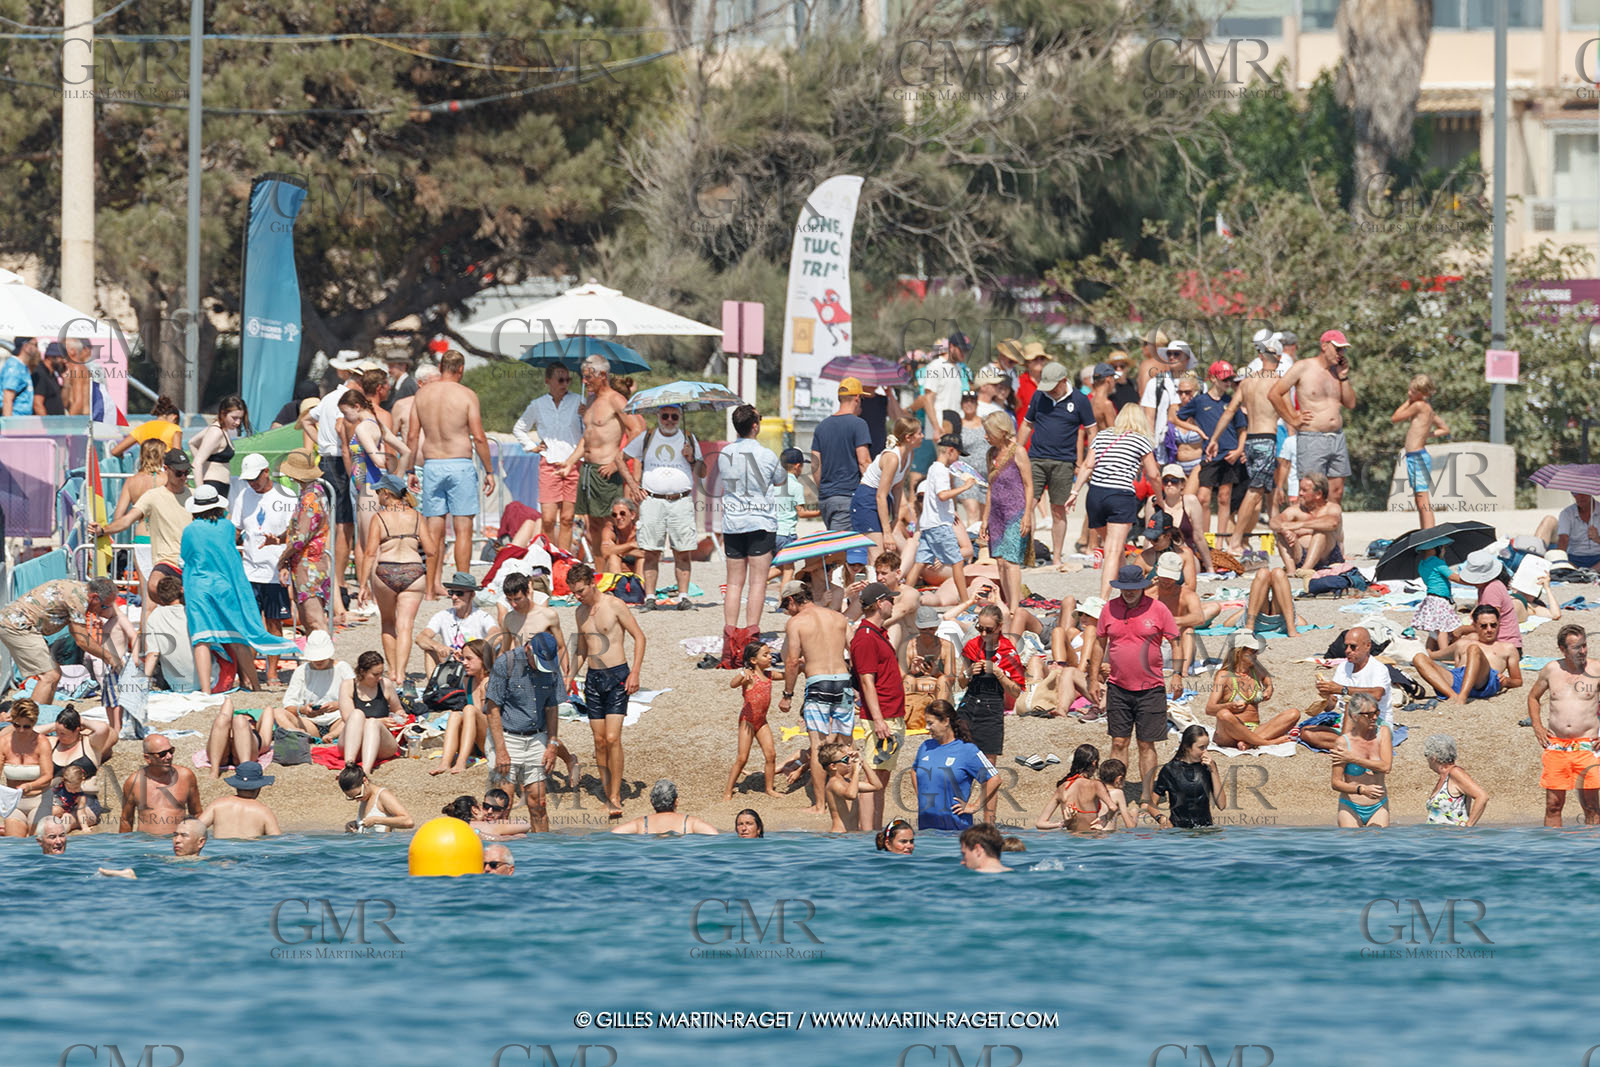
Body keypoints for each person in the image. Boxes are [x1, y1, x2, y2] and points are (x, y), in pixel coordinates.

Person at [180, 485, 299, 692]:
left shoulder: (190, 530)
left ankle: (206, 691)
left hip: (199, 586)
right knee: (238, 636)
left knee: (202, 639)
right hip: (226, 586)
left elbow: (186, 555)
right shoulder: (226, 527)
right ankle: (255, 685)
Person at [1086, 564, 1178, 802]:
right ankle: (1117, 792)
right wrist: (1093, 677)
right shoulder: (1109, 609)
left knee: (1146, 744)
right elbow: (1099, 643)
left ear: (1143, 587)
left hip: (1151, 688)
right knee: (1119, 742)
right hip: (1117, 686)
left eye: (1134, 588)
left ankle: (1148, 796)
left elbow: (1176, 642)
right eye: (1125, 588)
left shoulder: (1158, 609)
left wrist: (1178, 673)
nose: (1129, 592)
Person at [407, 350, 494, 598]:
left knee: (434, 529)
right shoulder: (467, 395)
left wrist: (411, 468)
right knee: (463, 529)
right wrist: (489, 470)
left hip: (433, 464)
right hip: (460, 464)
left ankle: (430, 590)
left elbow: (412, 436)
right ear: (461, 369)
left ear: (440, 367)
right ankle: (462, 587)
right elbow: (478, 436)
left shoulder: (422, 395)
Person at [568, 561, 645, 817]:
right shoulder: (580, 613)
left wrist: (635, 672)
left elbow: (640, 637)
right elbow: (582, 649)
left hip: (618, 675)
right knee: (599, 741)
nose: (577, 596)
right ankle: (605, 790)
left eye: (580, 591)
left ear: (592, 583)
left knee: (613, 738)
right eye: (574, 592)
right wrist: (569, 675)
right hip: (593, 678)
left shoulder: (614, 605)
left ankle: (615, 795)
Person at [777, 579, 856, 815]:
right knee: (846, 743)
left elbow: (791, 662)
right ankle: (850, 798)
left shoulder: (796, 622)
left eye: (785, 604)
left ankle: (820, 805)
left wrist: (787, 694)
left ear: (792, 600)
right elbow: (855, 649)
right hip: (843, 681)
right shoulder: (838, 617)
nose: (785, 610)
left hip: (818, 682)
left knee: (819, 745)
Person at [1067, 403, 1162, 599]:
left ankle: (1126, 590)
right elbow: (1154, 474)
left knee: (1114, 547)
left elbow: (1087, 465)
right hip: (1119, 495)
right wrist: (1160, 499)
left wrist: (1074, 492)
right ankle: (1102, 599)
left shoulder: (1102, 436)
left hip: (1095, 495)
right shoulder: (1141, 439)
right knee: (1113, 549)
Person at [716, 404, 783, 668]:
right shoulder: (766, 455)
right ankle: (752, 639)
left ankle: (729, 643)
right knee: (757, 583)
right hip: (760, 521)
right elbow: (779, 480)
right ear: (755, 425)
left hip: (733, 523)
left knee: (733, 584)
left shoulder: (724, 453)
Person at [558, 354, 638, 572]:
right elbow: (587, 437)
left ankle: (614, 571)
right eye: (583, 377)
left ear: (603, 375)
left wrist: (618, 462)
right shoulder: (591, 401)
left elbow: (637, 430)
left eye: (588, 377)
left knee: (608, 524)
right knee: (592, 525)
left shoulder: (616, 400)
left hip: (606, 471)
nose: (585, 382)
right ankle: (600, 573)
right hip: (588, 469)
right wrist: (570, 462)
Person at [625, 404, 705, 609]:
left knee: (683, 551)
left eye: (674, 417)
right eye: (666, 416)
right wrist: (633, 486)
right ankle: (650, 598)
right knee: (651, 551)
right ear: (659, 416)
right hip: (653, 500)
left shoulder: (689, 437)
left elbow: (703, 471)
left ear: (679, 418)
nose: (670, 420)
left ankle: (683, 597)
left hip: (681, 500)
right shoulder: (647, 437)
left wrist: (692, 457)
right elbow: (620, 458)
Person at [358, 474, 435, 684]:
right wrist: (430, 585)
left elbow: (370, 553)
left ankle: (391, 671)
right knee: (406, 625)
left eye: (378, 491)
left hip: (386, 571)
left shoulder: (380, 517)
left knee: (388, 622)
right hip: (413, 571)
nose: (376, 495)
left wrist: (363, 584)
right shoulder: (417, 517)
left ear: (387, 493)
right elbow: (431, 550)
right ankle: (401, 673)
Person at [228, 453, 298, 686]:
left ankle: (272, 672)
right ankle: (249, 673)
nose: (252, 483)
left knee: (274, 623)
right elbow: (235, 529)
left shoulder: (286, 496)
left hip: (274, 570)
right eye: (249, 479)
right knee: (250, 623)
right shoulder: (243, 495)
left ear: (266, 472)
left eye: (255, 478)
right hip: (249, 571)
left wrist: (280, 548)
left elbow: (295, 534)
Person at [0, 577, 122, 707]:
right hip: (17, 625)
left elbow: (77, 633)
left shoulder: (79, 590)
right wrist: (109, 657)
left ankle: (42, 716)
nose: (101, 611)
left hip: (19, 623)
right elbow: (82, 640)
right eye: (103, 606)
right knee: (49, 676)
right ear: (95, 597)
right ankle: (32, 722)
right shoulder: (79, 599)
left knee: (55, 675)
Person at [1020, 361, 1093, 566]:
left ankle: (1057, 557)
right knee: (1028, 505)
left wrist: (1090, 457)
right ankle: (1029, 554)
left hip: (1064, 462)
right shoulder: (1039, 395)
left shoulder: (1080, 399)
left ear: (1063, 381)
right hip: (1036, 458)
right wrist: (1016, 451)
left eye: (1053, 386)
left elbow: (1091, 430)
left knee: (1058, 510)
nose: (1049, 390)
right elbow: (1027, 424)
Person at [1527, 623, 1600, 826]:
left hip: (1587, 745)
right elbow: (1533, 697)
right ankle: (1552, 853)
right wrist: (1537, 727)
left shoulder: (1596, 669)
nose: (1583, 651)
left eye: (1584, 645)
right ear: (1563, 649)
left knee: (1591, 806)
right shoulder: (1551, 669)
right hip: (1557, 745)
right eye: (1577, 647)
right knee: (1553, 804)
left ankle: (1592, 853)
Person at [1270, 329, 1355, 503]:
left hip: (1337, 437)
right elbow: (1275, 393)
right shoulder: (1304, 366)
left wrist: (1344, 377)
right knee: (1311, 493)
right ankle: (1307, 529)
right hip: (1313, 437)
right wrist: (1292, 418)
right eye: (1337, 349)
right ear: (1324, 346)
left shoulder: (1336, 373)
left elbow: (1350, 404)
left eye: (1343, 350)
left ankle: (1330, 528)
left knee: (1336, 492)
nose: (1341, 354)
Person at [91, 448, 192, 592]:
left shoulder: (195, 496)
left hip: (187, 561)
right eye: (179, 473)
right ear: (166, 469)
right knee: (150, 599)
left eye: (187, 473)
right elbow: (126, 520)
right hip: (164, 562)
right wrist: (103, 530)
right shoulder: (152, 496)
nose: (183, 477)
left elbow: (119, 515)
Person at [956, 604, 1023, 820]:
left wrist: (999, 674)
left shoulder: (1008, 651)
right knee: (960, 761)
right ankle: (958, 813)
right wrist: (968, 672)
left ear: (999, 627)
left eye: (988, 630)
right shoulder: (972, 646)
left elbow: (1016, 691)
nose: (983, 634)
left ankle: (988, 820)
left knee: (988, 767)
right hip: (969, 704)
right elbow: (960, 682)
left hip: (992, 707)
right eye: (980, 628)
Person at [307, 354, 362, 615]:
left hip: (329, 458)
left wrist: (320, 442)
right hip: (340, 460)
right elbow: (344, 436)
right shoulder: (344, 402)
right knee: (344, 526)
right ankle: (338, 584)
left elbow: (305, 420)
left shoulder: (327, 398)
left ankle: (337, 584)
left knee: (337, 525)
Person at [850, 582, 907, 831]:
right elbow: (865, 681)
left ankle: (876, 829)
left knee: (881, 778)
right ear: (879, 603)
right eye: (890, 600)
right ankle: (867, 833)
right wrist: (879, 719)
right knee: (873, 777)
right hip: (882, 716)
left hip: (891, 714)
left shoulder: (878, 633)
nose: (893, 604)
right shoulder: (864, 637)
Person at [339, 388, 411, 574]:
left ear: (356, 406)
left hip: (367, 487)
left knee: (368, 546)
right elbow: (406, 452)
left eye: (346, 413)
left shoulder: (363, 428)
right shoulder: (377, 424)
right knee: (371, 543)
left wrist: (393, 478)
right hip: (370, 485)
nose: (345, 418)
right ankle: (371, 592)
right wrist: (397, 479)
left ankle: (371, 593)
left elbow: (379, 460)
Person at [514, 364, 584, 553]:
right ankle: (549, 555)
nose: (565, 384)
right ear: (548, 381)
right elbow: (519, 428)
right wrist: (532, 447)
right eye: (560, 380)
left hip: (574, 463)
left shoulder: (579, 401)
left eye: (567, 380)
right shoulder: (538, 405)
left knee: (568, 518)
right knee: (548, 518)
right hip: (549, 463)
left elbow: (589, 429)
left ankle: (564, 559)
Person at [1297, 627, 1394, 751]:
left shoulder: (1378, 668)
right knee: (1306, 733)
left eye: (1353, 647)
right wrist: (1327, 694)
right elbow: (1330, 707)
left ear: (1368, 646)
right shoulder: (1343, 667)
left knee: (1352, 704)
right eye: (1346, 646)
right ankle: (1351, 745)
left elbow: (1377, 694)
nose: (1348, 651)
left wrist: (1341, 689)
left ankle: (1347, 744)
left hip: (1375, 724)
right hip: (1347, 726)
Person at [905, 434, 975, 598]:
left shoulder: (933, 468)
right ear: (951, 450)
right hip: (939, 525)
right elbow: (943, 495)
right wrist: (966, 486)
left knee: (919, 562)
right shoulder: (942, 471)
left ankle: (903, 596)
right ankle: (964, 601)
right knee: (957, 562)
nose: (957, 458)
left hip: (928, 524)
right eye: (958, 453)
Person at [912, 699, 998, 831]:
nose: (926, 728)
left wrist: (974, 806)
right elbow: (914, 770)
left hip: (955, 832)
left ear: (946, 721)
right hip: (925, 830)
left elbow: (994, 779)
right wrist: (921, 795)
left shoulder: (968, 750)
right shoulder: (925, 747)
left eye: (930, 723)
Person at [275, 448, 336, 633]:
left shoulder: (310, 497)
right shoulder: (314, 492)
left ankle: (325, 660)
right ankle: (320, 659)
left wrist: (282, 559)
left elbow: (300, 539)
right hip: (310, 562)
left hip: (308, 564)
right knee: (310, 620)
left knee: (314, 620)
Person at [1410, 605, 1521, 705]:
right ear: (1475, 626)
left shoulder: (1507, 648)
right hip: (1459, 678)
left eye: (1493, 625)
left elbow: (1518, 680)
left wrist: (1506, 681)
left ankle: (1462, 697)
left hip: (1485, 681)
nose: (1489, 630)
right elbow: (1434, 656)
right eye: (1483, 626)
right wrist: (1431, 640)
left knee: (1473, 650)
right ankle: (1453, 695)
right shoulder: (1462, 644)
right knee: (1419, 658)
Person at [981, 412, 1034, 622]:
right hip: (996, 514)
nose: (986, 436)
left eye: (989, 432)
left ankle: (1014, 607)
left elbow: (1029, 485)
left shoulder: (1018, 452)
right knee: (1000, 561)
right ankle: (1005, 603)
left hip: (1016, 512)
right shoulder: (990, 454)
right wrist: (984, 519)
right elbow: (989, 488)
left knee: (1011, 560)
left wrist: (1028, 515)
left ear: (1001, 432)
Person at [1203, 634, 1294, 749]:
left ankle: (1249, 742)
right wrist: (1229, 706)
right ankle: (1266, 742)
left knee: (1293, 713)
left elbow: (1267, 679)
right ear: (1239, 652)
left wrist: (1269, 688)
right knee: (1223, 714)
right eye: (1253, 651)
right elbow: (1209, 709)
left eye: (1257, 651)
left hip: (1254, 728)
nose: (1256, 655)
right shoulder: (1224, 676)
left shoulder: (1255, 670)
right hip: (1228, 734)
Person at [109, 439, 168, 604]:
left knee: (146, 598)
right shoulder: (167, 479)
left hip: (141, 538)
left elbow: (118, 516)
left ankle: (145, 630)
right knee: (167, 594)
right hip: (164, 538)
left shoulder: (132, 481)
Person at [853, 416, 921, 559]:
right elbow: (880, 495)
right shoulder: (892, 457)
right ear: (909, 437)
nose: (922, 436)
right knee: (878, 553)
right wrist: (887, 532)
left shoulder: (909, 454)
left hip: (883, 499)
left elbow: (898, 487)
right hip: (867, 498)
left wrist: (896, 517)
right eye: (919, 433)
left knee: (901, 549)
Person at [266, 629, 352, 739]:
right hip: (309, 722)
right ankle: (299, 734)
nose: (318, 661)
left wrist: (338, 704)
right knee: (278, 713)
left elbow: (356, 697)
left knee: (355, 716)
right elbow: (289, 704)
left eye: (321, 658)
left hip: (338, 719)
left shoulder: (342, 668)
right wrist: (303, 710)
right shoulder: (301, 671)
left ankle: (331, 735)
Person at [812, 377, 873, 532]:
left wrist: (825, 490)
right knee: (841, 551)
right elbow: (864, 461)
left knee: (837, 547)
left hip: (827, 499)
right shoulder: (859, 424)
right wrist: (874, 491)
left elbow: (815, 465)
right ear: (857, 398)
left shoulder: (822, 426)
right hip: (847, 497)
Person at [1390, 374, 1449, 529]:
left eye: (1413, 391)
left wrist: (1408, 401)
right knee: (1419, 500)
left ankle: (1429, 536)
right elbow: (1444, 428)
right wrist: (1428, 434)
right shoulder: (1429, 409)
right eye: (1410, 390)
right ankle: (1425, 533)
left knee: (1423, 500)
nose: (1409, 393)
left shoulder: (1418, 405)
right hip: (1415, 456)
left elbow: (1395, 417)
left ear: (1422, 393)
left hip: (1417, 458)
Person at [723, 641, 780, 801]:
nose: (770, 657)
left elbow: (788, 674)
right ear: (754, 660)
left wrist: (800, 667)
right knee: (742, 758)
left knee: (771, 755)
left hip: (762, 721)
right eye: (765, 654)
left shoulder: (769, 675)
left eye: (770, 653)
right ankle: (728, 790)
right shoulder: (749, 676)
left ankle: (769, 788)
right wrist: (742, 674)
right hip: (747, 721)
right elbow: (732, 684)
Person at [432, 638, 495, 776]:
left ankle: (461, 761)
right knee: (455, 713)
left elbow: (492, 721)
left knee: (469, 709)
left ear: (483, 659)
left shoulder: (490, 683)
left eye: (469, 659)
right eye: (462, 658)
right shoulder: (468, 680)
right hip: (473, 742)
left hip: (491, 742)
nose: (464, 663)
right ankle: (445, 762)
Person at [339, 650, 407, 774]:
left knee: (372, 724)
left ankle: (365, 770)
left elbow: (397, 708)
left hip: (380, 743)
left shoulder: (385, 684)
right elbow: (347, 719)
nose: (379, 677)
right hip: (353, 740)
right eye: (375, 674)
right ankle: (349, 765)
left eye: (381, 673)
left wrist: (400, 715)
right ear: (362, 672)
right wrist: (381, 721)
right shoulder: (348, 685)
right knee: (357, 714)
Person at [120, 735, 202, 835]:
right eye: (162, 754)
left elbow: (197, 813)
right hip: (145, 844)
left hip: (176, 842)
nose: (169, 756)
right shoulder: (134, 782)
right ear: (147, 758)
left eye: (171, 751)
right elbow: (126, 820)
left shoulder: (186, 776)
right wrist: (123, 847)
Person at [1330, 693, 1391, 828]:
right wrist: (1361, 789)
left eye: (1376, 712)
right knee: (1351, 844)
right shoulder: (1343, 743)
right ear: (1355, 716)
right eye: (1368, 715)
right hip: (1350, 806)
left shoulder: (1383, 733)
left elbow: (1386, 767)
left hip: (1378, 806)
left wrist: (1352, 759)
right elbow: (1335, 783)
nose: (1374, 717)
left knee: (1378, 843)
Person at [1147, 724, 1226, 828]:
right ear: (1187, 747)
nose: (1205, 752)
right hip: (1179, 832)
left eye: (1206, 747)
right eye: (1201, 748)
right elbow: (1151, 805)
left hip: (1205, 831)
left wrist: (1214, 771)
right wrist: (1161, 818)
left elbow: (1222, 805)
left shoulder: (1208, 767)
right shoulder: (1170, 770)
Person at [417, 571, 497, 672]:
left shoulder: (482, 616)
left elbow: (497, 635)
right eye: (451, 593)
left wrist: (471, 651)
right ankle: (433, 687)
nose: (454, 597)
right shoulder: (442, 615)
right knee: (429, 650)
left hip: (473, 667)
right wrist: (438, 646)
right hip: (450, 666)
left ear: (472, 594)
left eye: (460, 593)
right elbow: (421, 638)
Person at [1269, 473, 1345, 575]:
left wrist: (1299, 525)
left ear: (1318, 494)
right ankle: (1291, 571)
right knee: (1280, 534)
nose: (1300, 493)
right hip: (1300, 556)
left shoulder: (1332, 508)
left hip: (1328, 558)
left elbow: (1332, 523)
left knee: (1320, 532)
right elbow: (1274, 522)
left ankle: (1305, 570)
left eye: (1304, 490)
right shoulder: (1296, 510)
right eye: (1300, 489)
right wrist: (1285, 530)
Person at [0, 699, 52, 835]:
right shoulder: (4, 743)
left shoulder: (42, 743)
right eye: (17, 725)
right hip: (14, 802)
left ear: (34, 723)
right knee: (15, 847)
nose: (21, 730)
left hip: (39, 799)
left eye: (27, 726)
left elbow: (47, 776)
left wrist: (29, 786)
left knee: (37, 845)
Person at [1034, 744, 1110, 832]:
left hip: (1070, 841)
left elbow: (1040, 823)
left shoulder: (1062, 788)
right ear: (1094, 763)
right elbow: (1113, 807)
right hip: (1092, 839)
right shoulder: (1096, 785)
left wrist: (1063, 824)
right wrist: (1105, 819)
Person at [198, 761, 281, 839]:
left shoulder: (217, 805)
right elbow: (276, 840)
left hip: (221, 851)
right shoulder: (264, 811)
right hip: (249, 852)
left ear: (236, 785)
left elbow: (194, 828)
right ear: (259, 787)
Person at [1421, 734, 1488, 826]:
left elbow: (1482, 796)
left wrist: (1469, 825)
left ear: (1433, 757)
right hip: (1437, 837)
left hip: (1453, 837)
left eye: (1426, 755)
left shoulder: (1455, 773)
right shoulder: (1444, 777)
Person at [611, 779, 718, 834]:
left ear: (652, 802)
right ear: (676, 801)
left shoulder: (641, 823)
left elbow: (614, 833)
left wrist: (613, 820)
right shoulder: (690, 822)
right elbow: (713, 833)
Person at [189, 396, 248, 497]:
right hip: (213, 485)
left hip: (220, 485)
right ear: (223, 413)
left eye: (240, 418)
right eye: (234, 418)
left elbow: (192, 442)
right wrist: (201, 493)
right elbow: (196, 463)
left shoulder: (220, 429)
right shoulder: (216, 432)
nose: (238, 422)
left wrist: (205, 465)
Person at [818, 740, 881, 831]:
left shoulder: (848, 782)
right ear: (833, 766)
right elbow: (851, 795)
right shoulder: (833, 783)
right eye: (845, 760)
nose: (850, 762)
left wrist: (862, 762)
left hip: (851, 834)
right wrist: (856, 771)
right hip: (840, 835)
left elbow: (876, 786)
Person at [203, 694, 272, 776]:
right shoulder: (227, 726)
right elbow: (228, 702)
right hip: (221, 751)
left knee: (239, 720)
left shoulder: (259, 736)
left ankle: (245, 769)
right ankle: (215, 771)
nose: (247, 718)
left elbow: (269, 710)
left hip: (243, 755)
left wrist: (248, 722)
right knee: (222, 718)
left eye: (251, 721)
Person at [338, 764, 414, 832]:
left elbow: (408, 821)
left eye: (359, 795)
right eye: (352, 798)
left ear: (365, 781)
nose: (357, 800)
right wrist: (355, 824)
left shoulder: (383, 795)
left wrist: (376, 820)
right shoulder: (365, 797)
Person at [110, 396, 183, 457]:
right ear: (174, 417)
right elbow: (178, 456)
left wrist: (121, 456)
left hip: (146, 469)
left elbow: (115, 451)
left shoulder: (142, 428)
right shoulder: (174, 428)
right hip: (165, 470)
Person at [1550, 493, 1600, 569]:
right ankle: (1583, 573)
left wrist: (1597, 539)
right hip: (1574, 559)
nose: (1580, 496)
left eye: (1584, 492)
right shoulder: (1566, 513)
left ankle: (1587, 573)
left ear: (1590, 492)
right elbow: (1563, 540)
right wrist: (1561, 561)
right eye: (1575, 493)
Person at [600, 498, 640, 573]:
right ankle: (618, 583)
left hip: (636, 573)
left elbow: (647, 553)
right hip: (615, 573)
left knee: (642, 559)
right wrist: (631, 545)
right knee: (613, 557)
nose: (618, 517)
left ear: (632, 515)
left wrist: (615, 549)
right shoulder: (610, 530)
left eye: (622, 513)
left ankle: (640, 584)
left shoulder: (640, 531)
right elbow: (605, 552)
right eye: (614, 515)